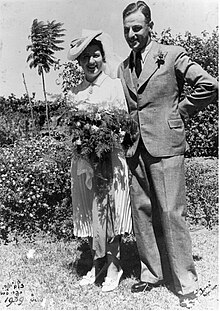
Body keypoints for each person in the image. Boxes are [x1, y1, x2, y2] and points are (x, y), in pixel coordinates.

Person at [117, 1, 218, 308]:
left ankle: (185, 282)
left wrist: (181, 111)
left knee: (172, 214)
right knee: (143, 212)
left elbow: (209, 84)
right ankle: (152, 274)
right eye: (127, 30)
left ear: (150, 26)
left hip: (166, 145)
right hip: (136, 149)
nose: (132, 34)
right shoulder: (123, 67)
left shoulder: (171, 55)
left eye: (137, 27)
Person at [67, 29, 132, 292]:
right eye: (85, 57)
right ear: (79, 62)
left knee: (111, 210)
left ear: (103, 58)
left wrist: (107, 136)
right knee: (93, 211)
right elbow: (73, 132)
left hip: (111, 158)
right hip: (85, 162)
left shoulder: (114, 85)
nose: (91, 61)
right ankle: (97, 264)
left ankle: (115, 265)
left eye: (96, 55)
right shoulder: (74, 93)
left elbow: (124, 125)